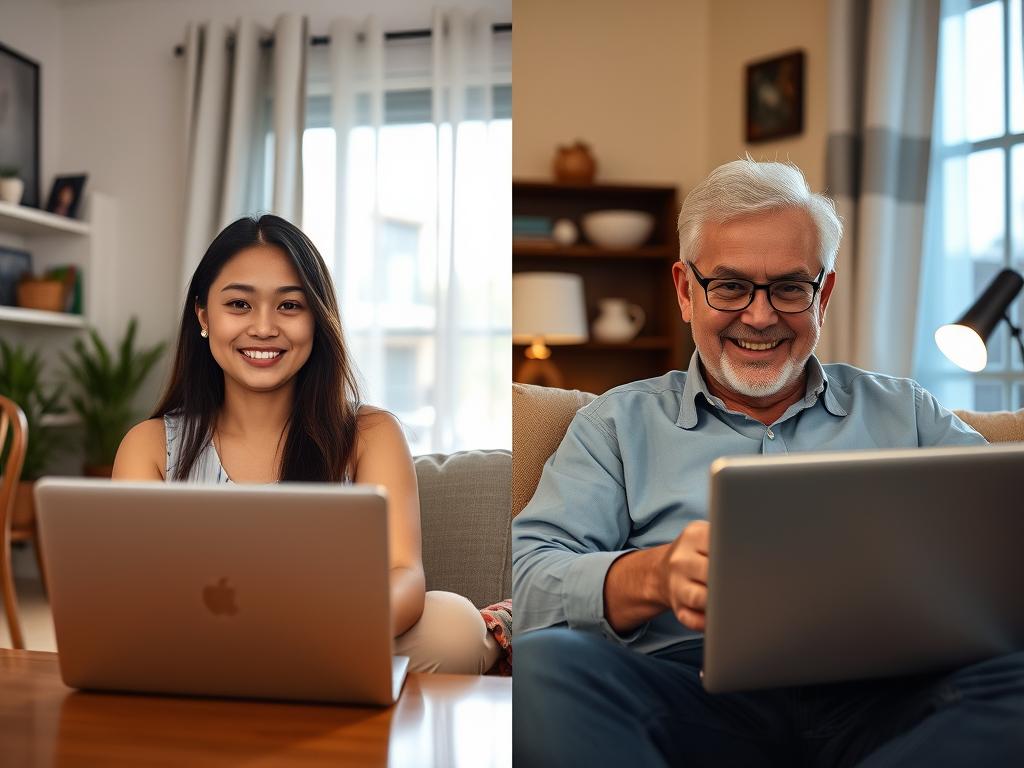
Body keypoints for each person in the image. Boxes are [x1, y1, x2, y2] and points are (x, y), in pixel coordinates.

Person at [512, 160, 1024, 765]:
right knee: (547, 668)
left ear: (824, 294)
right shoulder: (615, 425)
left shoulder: (907, 413)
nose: (760, 316)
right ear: (684, 290)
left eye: (789, 287)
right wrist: (652, 575)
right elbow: (529, 584)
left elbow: (1004, 535)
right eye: (729, 286)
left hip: (893, 698)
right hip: (692, 696)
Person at [113, 214, 500, 675]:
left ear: (317, 319)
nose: (263, 327)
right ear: (203, 315)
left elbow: (403, 574)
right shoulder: (150, 446)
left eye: (289, 306)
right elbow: (130, 596)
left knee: (452, 624)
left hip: (334, 640)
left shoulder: (369, 434)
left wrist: (305, 633)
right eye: (238, 304)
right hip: (199, 649)